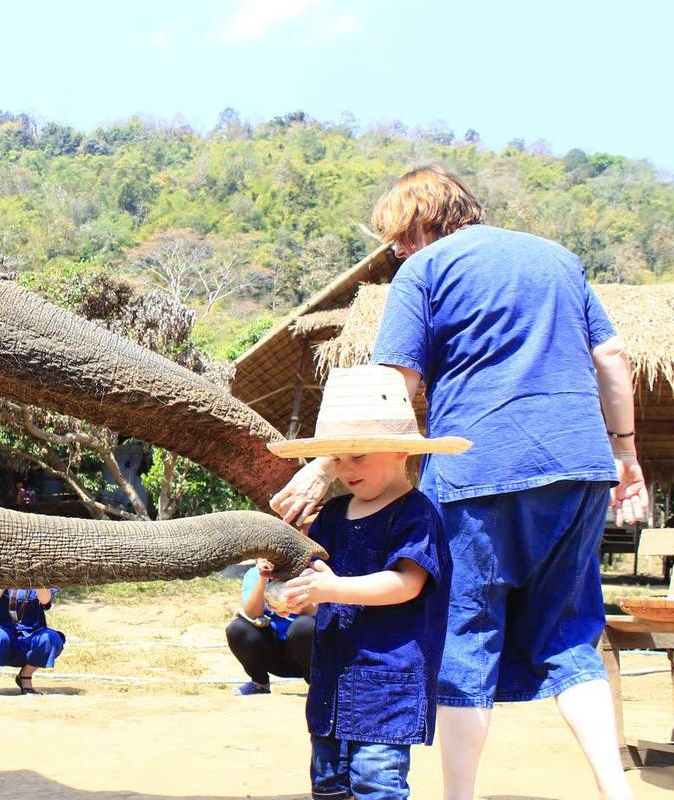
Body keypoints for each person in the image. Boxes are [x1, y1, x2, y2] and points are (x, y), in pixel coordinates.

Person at [271, 166, 649, 800]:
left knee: (465, 635)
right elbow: (612, 357)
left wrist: (323, 462)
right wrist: (626, 454)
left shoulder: (425, 271)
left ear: (425, 219)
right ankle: (618, 791)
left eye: (396, 237)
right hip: (581, 465)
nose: (394, 253)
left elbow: (396, 385)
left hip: (482, 467)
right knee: (571, 632)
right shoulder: (558, 258)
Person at [270, 364, 463, 800]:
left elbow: (405, 585)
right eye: (338, 457)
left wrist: (330, 589)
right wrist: (293, 590)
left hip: (388, 685)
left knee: (376, 784)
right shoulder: (334, 517)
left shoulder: (416, 515)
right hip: (332, 682)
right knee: (328, 785)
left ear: (401, 452)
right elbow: (318, 587)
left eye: (359, 455)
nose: (346, 468)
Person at [226, 558, 314, 695]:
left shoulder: (307, 573)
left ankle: (317, 686)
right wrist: (262, 579)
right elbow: (252, 614)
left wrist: (293, 579)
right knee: (237, 629)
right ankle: (259, 683)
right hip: (272, 653)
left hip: (305, 653)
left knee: (303, 626)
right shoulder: (254, 574)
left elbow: (312, 612)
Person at [0, 588, 65, 695]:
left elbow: (45, 601)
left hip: (30, 631)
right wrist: (7, 576)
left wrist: (37, 578)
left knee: (51, 639)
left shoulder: (44, 573)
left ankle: (25, 675)